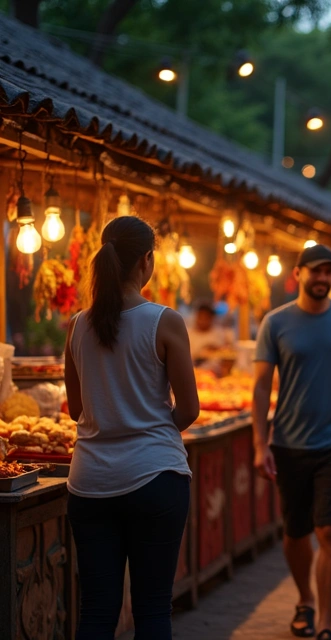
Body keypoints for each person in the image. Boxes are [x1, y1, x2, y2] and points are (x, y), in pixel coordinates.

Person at [63, 216, 199, 638]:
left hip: (89, 482)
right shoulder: (164, 321)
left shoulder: (78, 325)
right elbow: (190, 408)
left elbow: (75, 409)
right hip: (155, 479)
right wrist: (154, 431)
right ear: (146, 261)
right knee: (153, 610)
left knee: (96, 613)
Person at [252, 244, 331, 640]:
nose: (323, 278)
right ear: (298, 274)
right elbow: (260, 387)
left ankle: (325, 623)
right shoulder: (275, 323)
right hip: (290, 442)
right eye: (316, 271)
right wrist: (261, 444)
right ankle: (305, 598)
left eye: (329, 272)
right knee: (295, 533)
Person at [188, 301, 233, 374]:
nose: (202, 321)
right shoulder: (189, 334)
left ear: (211, 318)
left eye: (206, 318)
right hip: (195, 372)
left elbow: (226, 353)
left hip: (215, 374)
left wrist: (216, 349)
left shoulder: (219, 333)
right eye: (200, 317)